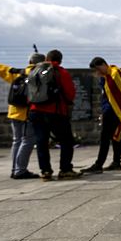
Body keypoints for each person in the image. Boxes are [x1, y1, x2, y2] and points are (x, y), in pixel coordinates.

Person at [0, 53, 45, 179]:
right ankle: (20, 170)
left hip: (14, 111)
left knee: (16, 141)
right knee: (27, 141)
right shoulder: (39, 74)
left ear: (30, 61)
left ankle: (15, 169)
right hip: (27, 113)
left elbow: (4, 70)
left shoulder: (19, 73)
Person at [28, 49, 80, 181]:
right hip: (55, 111)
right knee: (66, 140)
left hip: (35, 110)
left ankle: (45, 171)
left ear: (46, 58)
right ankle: (65, 169)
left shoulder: (34, 71)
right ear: (60, 60)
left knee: (41, 142)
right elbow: (70, 93)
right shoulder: (61, 72)